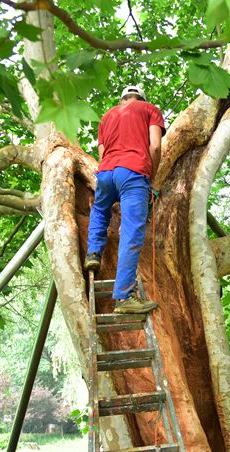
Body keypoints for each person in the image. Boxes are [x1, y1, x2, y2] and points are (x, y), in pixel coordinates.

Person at [84, 85, 166, 313]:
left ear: (122, 100)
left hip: (106, 172)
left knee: (100, 210)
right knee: (131, 230)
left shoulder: (107, 116)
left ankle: (93, 254)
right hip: (134, 172)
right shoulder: (150, 109)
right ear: (142, 97)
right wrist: (151, 178)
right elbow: (156, 146)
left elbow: (102, 152)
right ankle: (124, 297)